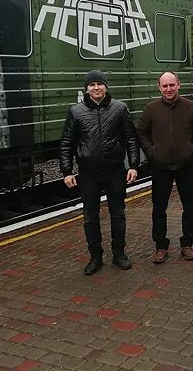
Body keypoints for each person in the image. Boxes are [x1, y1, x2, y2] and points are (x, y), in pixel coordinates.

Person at [59, 70, 140, 275]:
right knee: (90, 217)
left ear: (106, 86)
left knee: (118, 214)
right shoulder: (75, 111)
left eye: (100, 84)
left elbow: (130, 138)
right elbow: (67, 142)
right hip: (88, 174)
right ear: (86, 88)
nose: (96, 88)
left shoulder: (120, 109)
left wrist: (133, 165)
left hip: (115, 172)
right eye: (92, 84)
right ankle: (95, 257)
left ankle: (119, 254)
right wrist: (67, 171)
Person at [137, 71, 193, 264]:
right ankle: (161, 246)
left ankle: (187, 244)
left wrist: (192, 150)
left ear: (179, 84)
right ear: (159, 87)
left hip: (185, 165)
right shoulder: (151, 109)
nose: (168, 89)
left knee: (190, 206)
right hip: (160, 167)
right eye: (165, 86)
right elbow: (141, 133)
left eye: (172, 85)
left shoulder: (191, 108)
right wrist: (151, 152)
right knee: (159, 208)